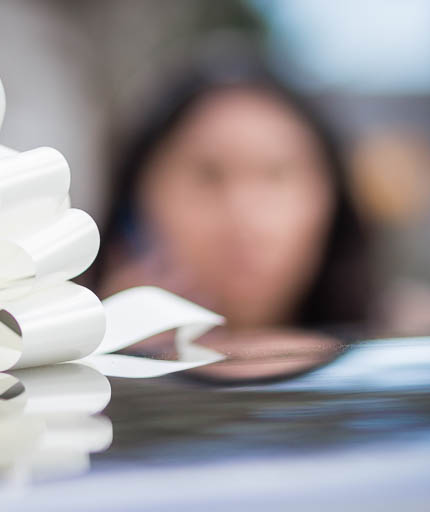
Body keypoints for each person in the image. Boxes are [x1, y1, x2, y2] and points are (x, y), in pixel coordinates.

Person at [89, 59, 374, 382]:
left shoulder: (407, 339)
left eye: (276, 174)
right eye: (207, 176)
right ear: (135, 203)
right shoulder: (56, 353)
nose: (243, 216)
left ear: (332, 199)